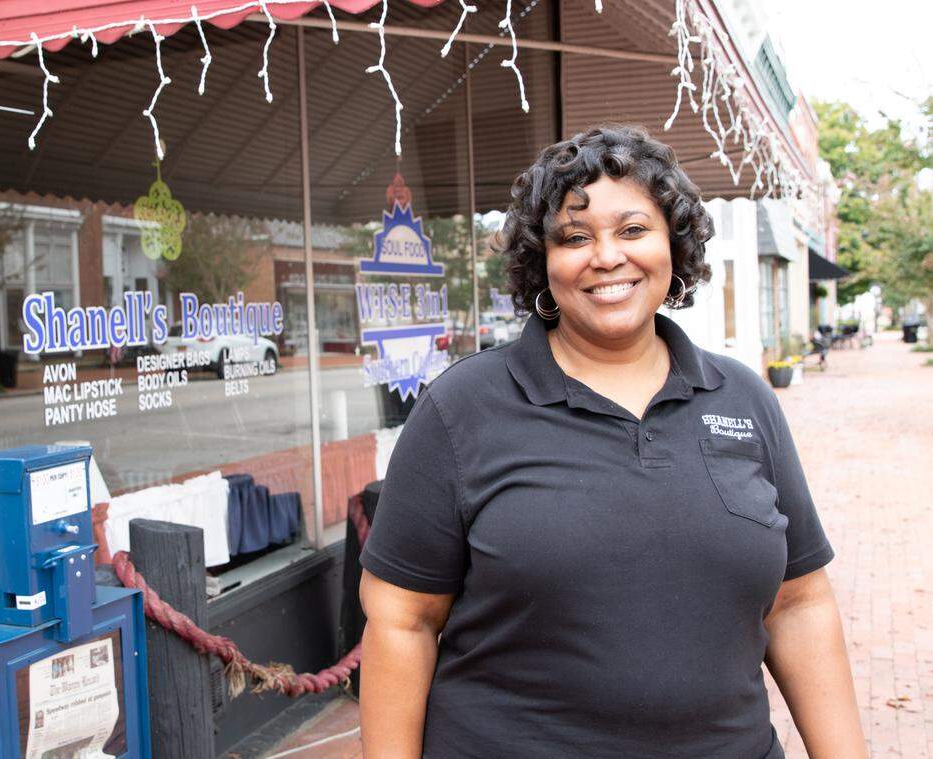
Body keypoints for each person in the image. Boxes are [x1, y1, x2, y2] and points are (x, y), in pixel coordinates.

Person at [358, 125, 866, 758]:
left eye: (633, 230)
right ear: (540, 261)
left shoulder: (742, 398)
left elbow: (799, 604)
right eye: (574, 237)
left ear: (673, 244)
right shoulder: (462, 409)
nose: (606, 256)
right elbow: (403, 623)